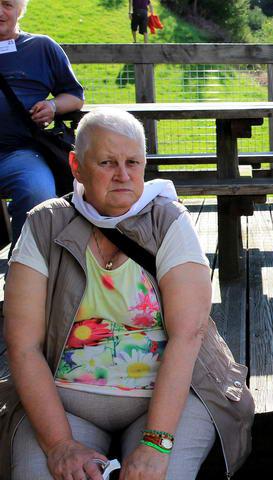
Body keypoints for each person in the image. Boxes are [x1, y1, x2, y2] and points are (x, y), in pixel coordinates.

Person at [0, 108, 254, 480]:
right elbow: (22, 345)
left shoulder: (169, 220)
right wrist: (59, 445)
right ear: (76, 165)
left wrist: (156, 443)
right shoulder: (44, 224)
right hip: (64, 398)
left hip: (173, 398)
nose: (123, 175)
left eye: (133, 162)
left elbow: (188, 335)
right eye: (107, 162)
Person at [0, 0, 84, 245]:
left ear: (20, 10)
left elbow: (75, 96)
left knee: (37, 194)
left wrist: (52, 106)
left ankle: (26, 265)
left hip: (20, 153)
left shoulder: (41, 47)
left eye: (7, 4)